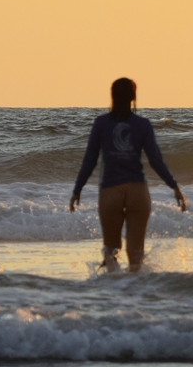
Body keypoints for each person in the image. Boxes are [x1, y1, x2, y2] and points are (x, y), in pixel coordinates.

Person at [70, 77, 186, 272]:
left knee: (111, 251)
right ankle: (134, 294)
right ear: (133, 97)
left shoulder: (101, 123)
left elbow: (90, 160)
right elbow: (155, 160)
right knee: (136, 255)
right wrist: (174, 186)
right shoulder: (143, 124)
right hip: (137, 191)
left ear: (112, 96)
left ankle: (114, 293)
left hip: (110, 191)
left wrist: (77, 189)